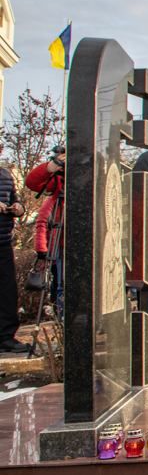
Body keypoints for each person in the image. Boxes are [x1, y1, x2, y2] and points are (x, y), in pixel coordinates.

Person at [25, 148, 65, 315]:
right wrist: (53, 166)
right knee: (62, 284)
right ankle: (64, 319)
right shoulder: (59, 186)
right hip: (62, 245)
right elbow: (32, 183)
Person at [0, 162, 28, 353]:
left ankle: (6, 337)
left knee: (7, 291)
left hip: (3, 241)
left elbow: (16, 198)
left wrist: (19, 207)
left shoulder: (5, 174)